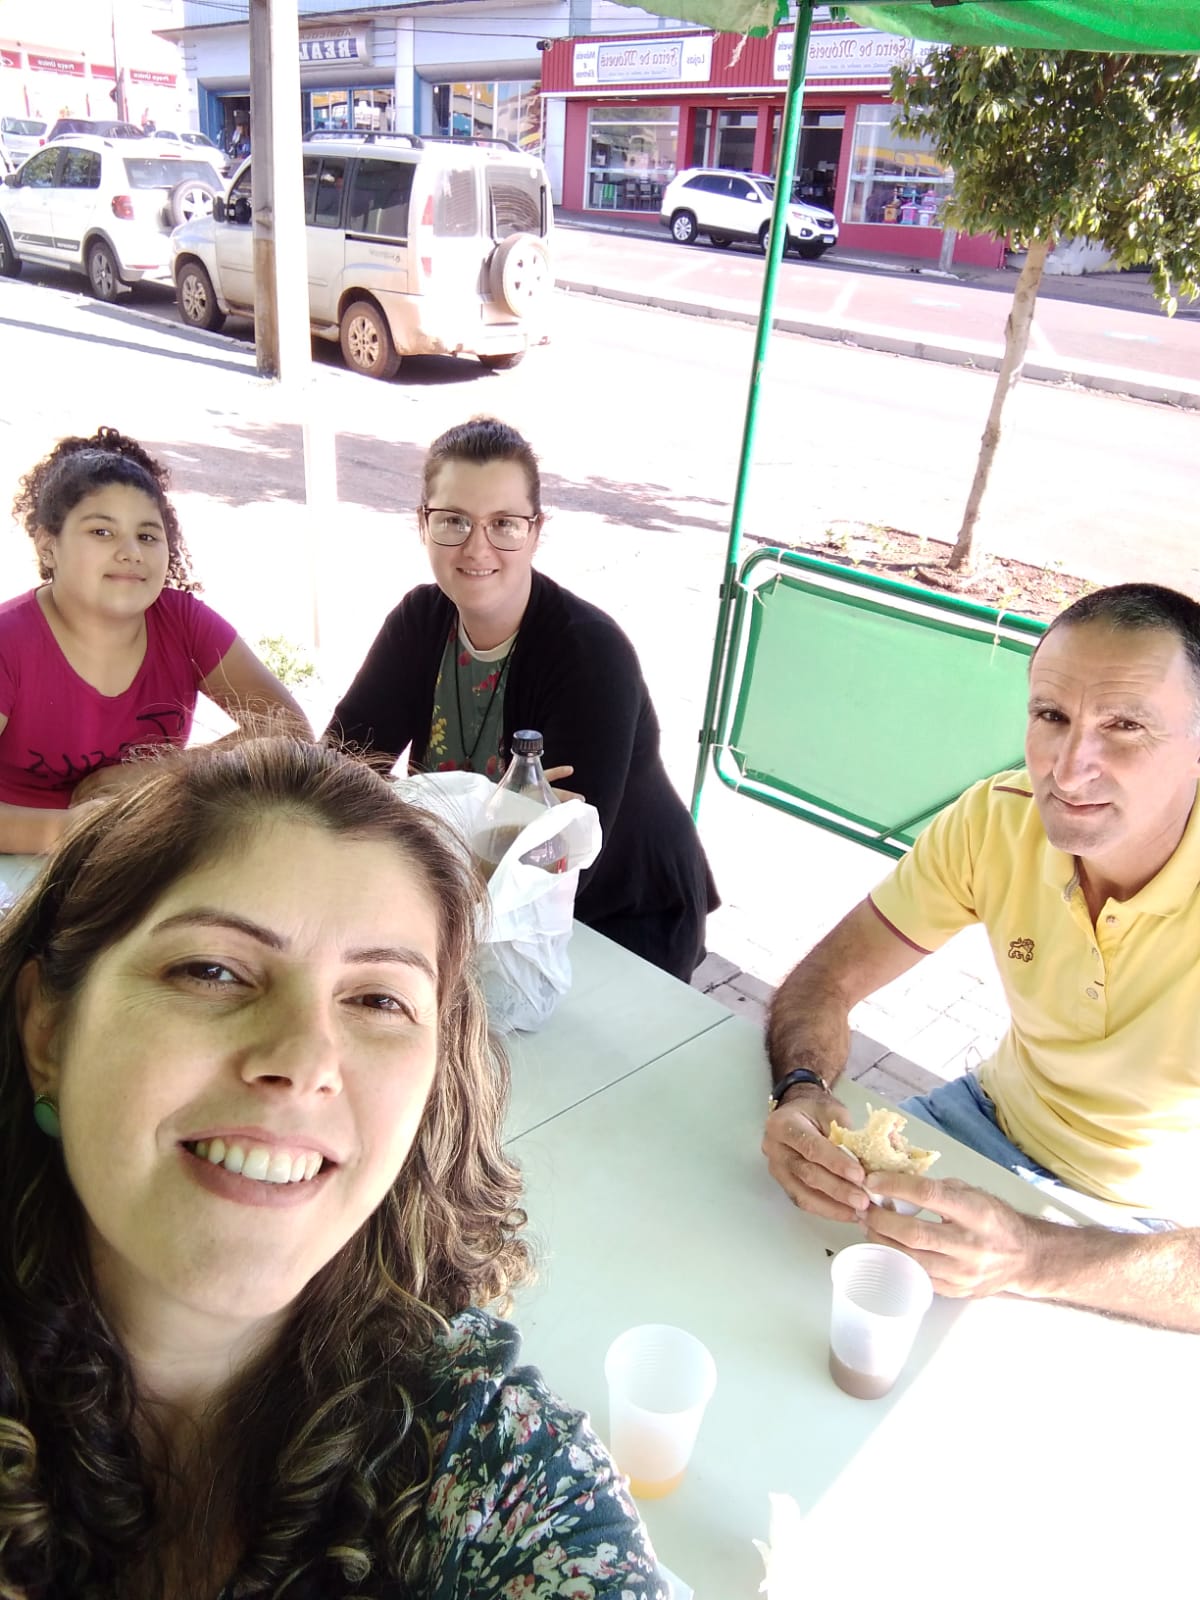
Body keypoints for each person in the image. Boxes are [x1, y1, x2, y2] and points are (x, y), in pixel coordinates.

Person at [0, 735, 666, 1596]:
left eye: (378, 999)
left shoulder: (495, 1471)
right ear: (49, 1032)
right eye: (213, 970)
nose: (305, 1061)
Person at [763, 582, 1200, 1335]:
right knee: (758, 1271)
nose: (1068, 769)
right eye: (1051, 716)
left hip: (1148, 1227)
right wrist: (801, 1091)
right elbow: (827, 979)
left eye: (1126, 726)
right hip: (978, 1117)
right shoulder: (998, 820)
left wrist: (1031, 1257)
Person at [326, 416, 718, 980]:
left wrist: (414, 821)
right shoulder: (418, 621)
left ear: (535, 532)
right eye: (454, 520)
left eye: (504, 524)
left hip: (620, 916)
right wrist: (492, 823)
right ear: (422, 524)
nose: (476, 547)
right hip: (473, 907)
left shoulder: (590, 653)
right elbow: (342, 768)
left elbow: (554, 856)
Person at [2, 426, 310, 854]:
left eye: (147, 535)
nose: (131, 552)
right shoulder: (9, 642)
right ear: (47, 545)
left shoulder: (183, 622)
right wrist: (67, 830)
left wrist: (162, 771)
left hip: (141, 855)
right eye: (102, 532)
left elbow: (290, 729)